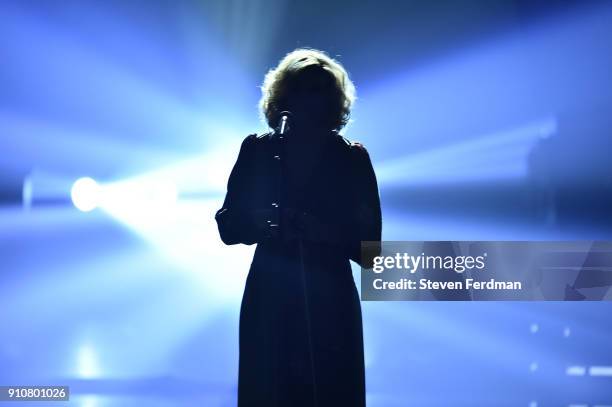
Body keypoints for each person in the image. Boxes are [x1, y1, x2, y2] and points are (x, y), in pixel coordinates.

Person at [215, 48, 382, 407]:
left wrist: (323, 232)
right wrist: (264, 220)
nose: (312, 99)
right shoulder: (259, 151)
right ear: (284, 96)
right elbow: (228, 225)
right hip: (271, 294)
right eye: (304, 89)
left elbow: (372, 252)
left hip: (329, 299)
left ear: (335, 101)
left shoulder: (352, 159)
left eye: (321, 90)